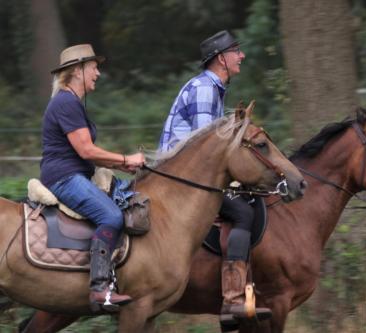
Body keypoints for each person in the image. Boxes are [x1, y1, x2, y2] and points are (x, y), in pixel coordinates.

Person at [158, 31, 272, 325]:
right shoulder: (205, 89)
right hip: (182, 180)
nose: (241, 56)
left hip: (192, 173)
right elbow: (207, 149)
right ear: (222, 58)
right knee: (242, 213)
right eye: (236, 51)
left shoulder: (213, 88)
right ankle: (233, 300)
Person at [40, 44, 145, 312]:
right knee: (111, 216)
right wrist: (126, 160)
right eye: (94, 67)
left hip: (75, 173)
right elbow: (86, 150)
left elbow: (89, 154)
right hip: (64, 177)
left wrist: (124, 165)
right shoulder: (65, 102)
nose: (98, 73)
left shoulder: (71, 102)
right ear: (77, 70)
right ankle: (100, 288)